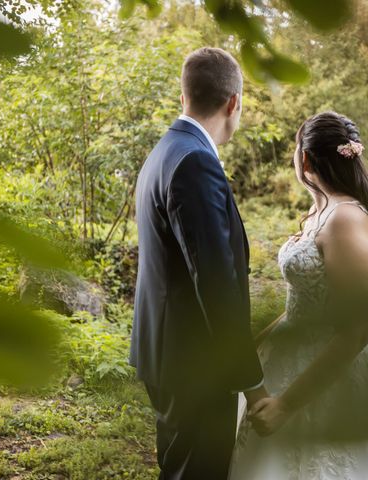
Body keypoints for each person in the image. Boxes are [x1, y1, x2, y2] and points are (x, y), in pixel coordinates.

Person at [229, 111, 368, 479]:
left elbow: (355, 332)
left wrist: (286, 405)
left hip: (335, 367)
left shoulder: (346, 220)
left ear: (304, 158)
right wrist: (256, 343)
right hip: (291, 351)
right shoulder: (319, 211)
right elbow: (300, 303)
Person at [129, 47, 270, 479]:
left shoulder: (165, 151)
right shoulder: (195, 162)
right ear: (234, 102)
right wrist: (252, 382)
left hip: (167, 353)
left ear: (183, 94)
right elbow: (216, 281)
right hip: (196, 365)